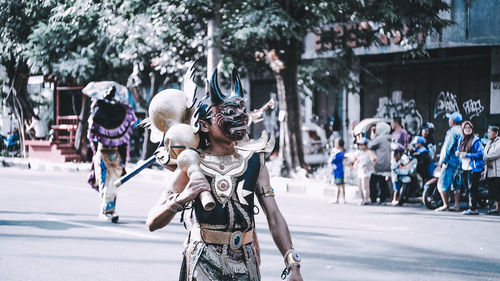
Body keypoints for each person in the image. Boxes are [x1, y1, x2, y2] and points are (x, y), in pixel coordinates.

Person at [146, 68, 303, 281]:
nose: (239, 117)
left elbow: (274, 216)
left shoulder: (254, 162)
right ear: (203, 125)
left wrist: (292, 262)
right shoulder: (191, 164)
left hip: (246, 261)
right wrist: (182, 199)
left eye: (240, 110)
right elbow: (152, 222)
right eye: (226, 113)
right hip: (203, 260)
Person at [87, 86, 137, 223]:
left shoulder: (99, 111)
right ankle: (106, 210)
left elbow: (92, 136)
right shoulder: (120, 111)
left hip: (104, 152)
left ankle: (109, 210)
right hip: (112, 153)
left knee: (110, 183)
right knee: (109, 183)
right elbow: (124, 141)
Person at [436, 112, 463, 212]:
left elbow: (447, 148)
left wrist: (441, 161)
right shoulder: (463, 131)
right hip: (460, 162)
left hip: (451, 162)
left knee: (442, 183)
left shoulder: (452, 132)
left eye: (450, 119)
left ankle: (445, 205)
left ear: (453, 121)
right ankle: (456, 205)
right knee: (456, 184)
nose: (449, 121)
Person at [456, 121, 484, 215]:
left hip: (474, 167)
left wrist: (467, 154)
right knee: (467, 188)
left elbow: (480, 154)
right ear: (463, 129)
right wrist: (457, 153)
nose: (468, 129)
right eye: (466, 128)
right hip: (464, 166)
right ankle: (470, 207)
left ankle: (473, 208)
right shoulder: (461, 139)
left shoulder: (476, 140)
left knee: (472, 188)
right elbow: (458, 149)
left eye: (469, 128)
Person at [368, 122, 392, 204]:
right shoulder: (390, 137)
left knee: (373, 181)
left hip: (379, 164)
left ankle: (373, 198)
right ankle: (383, 198)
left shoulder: (379, 139)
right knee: (382, 181)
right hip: (389, 164)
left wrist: (373, 134)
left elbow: (370, 145)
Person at [353, 138, 377, 205]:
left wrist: (369, 167)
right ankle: (362, 199)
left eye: (362, 145)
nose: (361, 146)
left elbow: (374, 160)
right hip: (360, 170)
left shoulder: (369, 152)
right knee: (360, 186)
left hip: (366, 172)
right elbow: (357, 160)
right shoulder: (360, 153)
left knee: (365, 186)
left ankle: (366, 200)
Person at [484, 126, 500, 215]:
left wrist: (485, 157)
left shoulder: (499, 142)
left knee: (498, 189)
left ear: (496, 133)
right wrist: (485, 157)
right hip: (490, 171)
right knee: (494, 190)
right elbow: (485, 153)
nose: (488, 134)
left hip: (497, 171)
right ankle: (497, 208)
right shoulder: (489, 142)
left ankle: (498, 208)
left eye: (490, 132)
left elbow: (495, 153)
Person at [330, 138, 346, 204]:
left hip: (337, 171)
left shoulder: (337, 154)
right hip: (342, 171)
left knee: (338, 186)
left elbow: (332, 161)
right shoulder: (344, 153)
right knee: (342, 186)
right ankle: (344, 199)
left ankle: (337, 199)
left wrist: (332, 154)